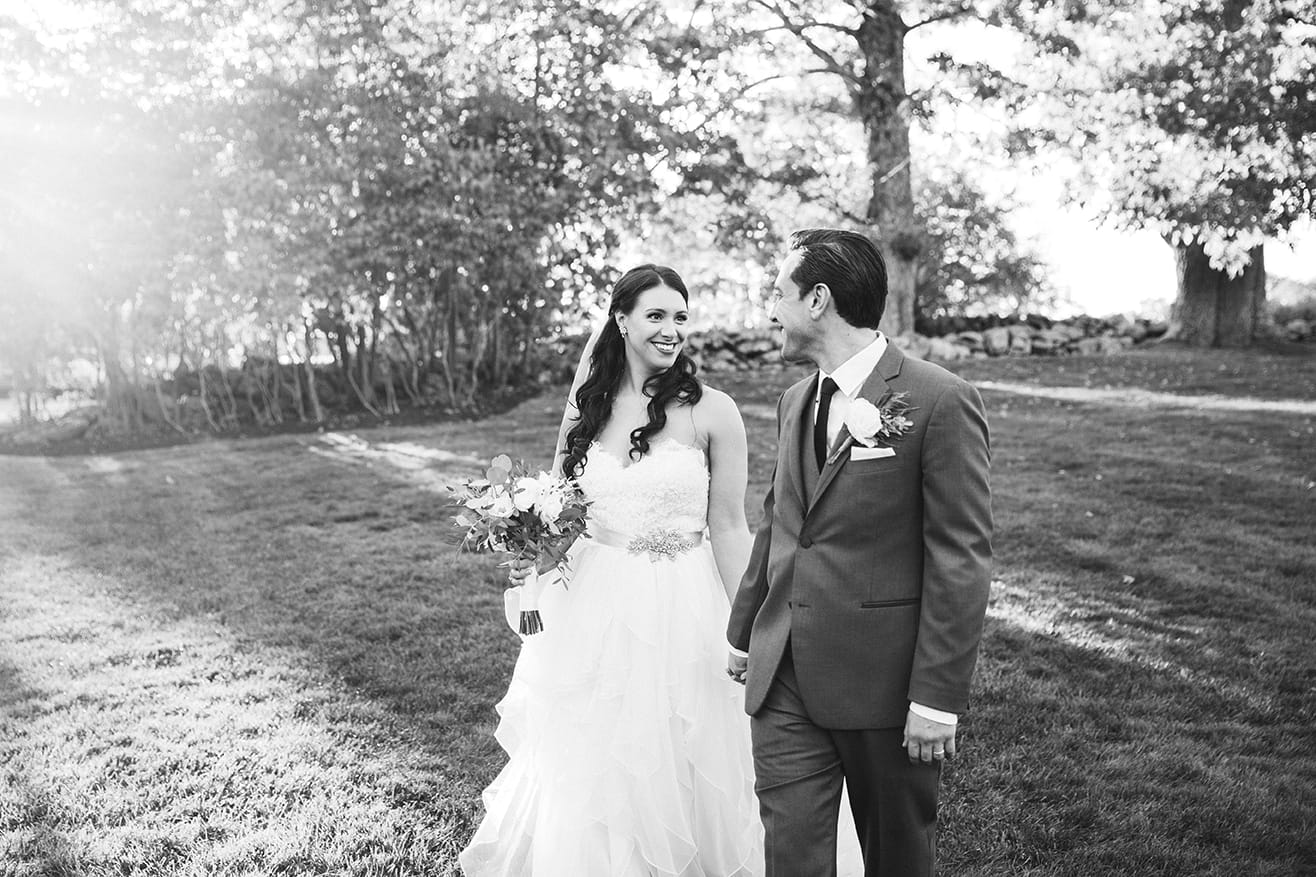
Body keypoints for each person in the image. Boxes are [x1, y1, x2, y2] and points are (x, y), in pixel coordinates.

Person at [459, 264, 765, 876]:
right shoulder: (587, 406)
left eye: (680, 316)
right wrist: (533, 562)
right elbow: (562, 509)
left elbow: (730, 527)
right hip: (596, 602)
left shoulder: (715, 412)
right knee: (597, 758)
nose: (671, 329)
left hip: (687, 599)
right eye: (656, 315)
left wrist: (748, 624)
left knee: (694, 752)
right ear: (621, 321)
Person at [726, 228, 993, 877]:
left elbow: (960, 556)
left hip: (886, 686)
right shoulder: (795, 400)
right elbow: (780, 523)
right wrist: (743, 633)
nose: (770, 309)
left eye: (779, 293)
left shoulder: (938, 398)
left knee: (896, 860)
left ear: (818, 299)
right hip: (784, 669)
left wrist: (936, 697)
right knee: (791, 856)